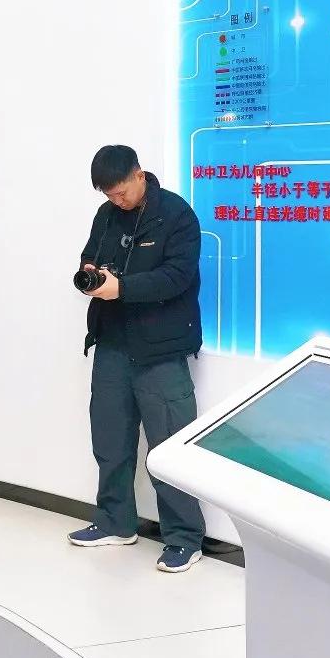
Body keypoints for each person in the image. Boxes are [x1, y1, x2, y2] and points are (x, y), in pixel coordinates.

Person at [70, 144, 206, 572]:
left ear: (139, 175)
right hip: (112, 343)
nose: (117, 201)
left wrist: (123, 288)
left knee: (170, 447)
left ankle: (184, 538)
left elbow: (177, 277)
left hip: (161, 349)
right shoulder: (106, 215)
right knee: (110, 440)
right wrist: (93, 274)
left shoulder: (177, 215)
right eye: (108, 195)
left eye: (121, 192)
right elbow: (90, 255)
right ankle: (114, 522)